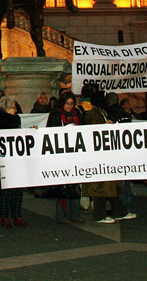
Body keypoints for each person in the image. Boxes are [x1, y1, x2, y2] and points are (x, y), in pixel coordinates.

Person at [82, 91, 134, 224]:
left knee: (108, 184)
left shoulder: (99, 112)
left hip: (103, 154)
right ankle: (100, 214)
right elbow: (94, 133)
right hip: (98, 155)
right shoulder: (94, 114)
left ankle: (118, 211)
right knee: (101, 185)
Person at [0, 96, 29, 228]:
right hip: (5, 157)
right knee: (7, 187)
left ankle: (17, 215)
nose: (16, 110)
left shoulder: (16, 119)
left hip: (16, 156)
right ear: (6, 108)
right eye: (13, 107)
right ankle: (5, 217)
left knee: (18, 187)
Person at [46, 92, 83, 224]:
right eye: (67, 103)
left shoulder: (77, 114)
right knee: (62, 186)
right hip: (60, 154)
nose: (69, 106)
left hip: (74, 153)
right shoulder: (55, 115)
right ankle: (61, 215)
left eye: (71, 104)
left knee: (75, 184)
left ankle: (75, 214)